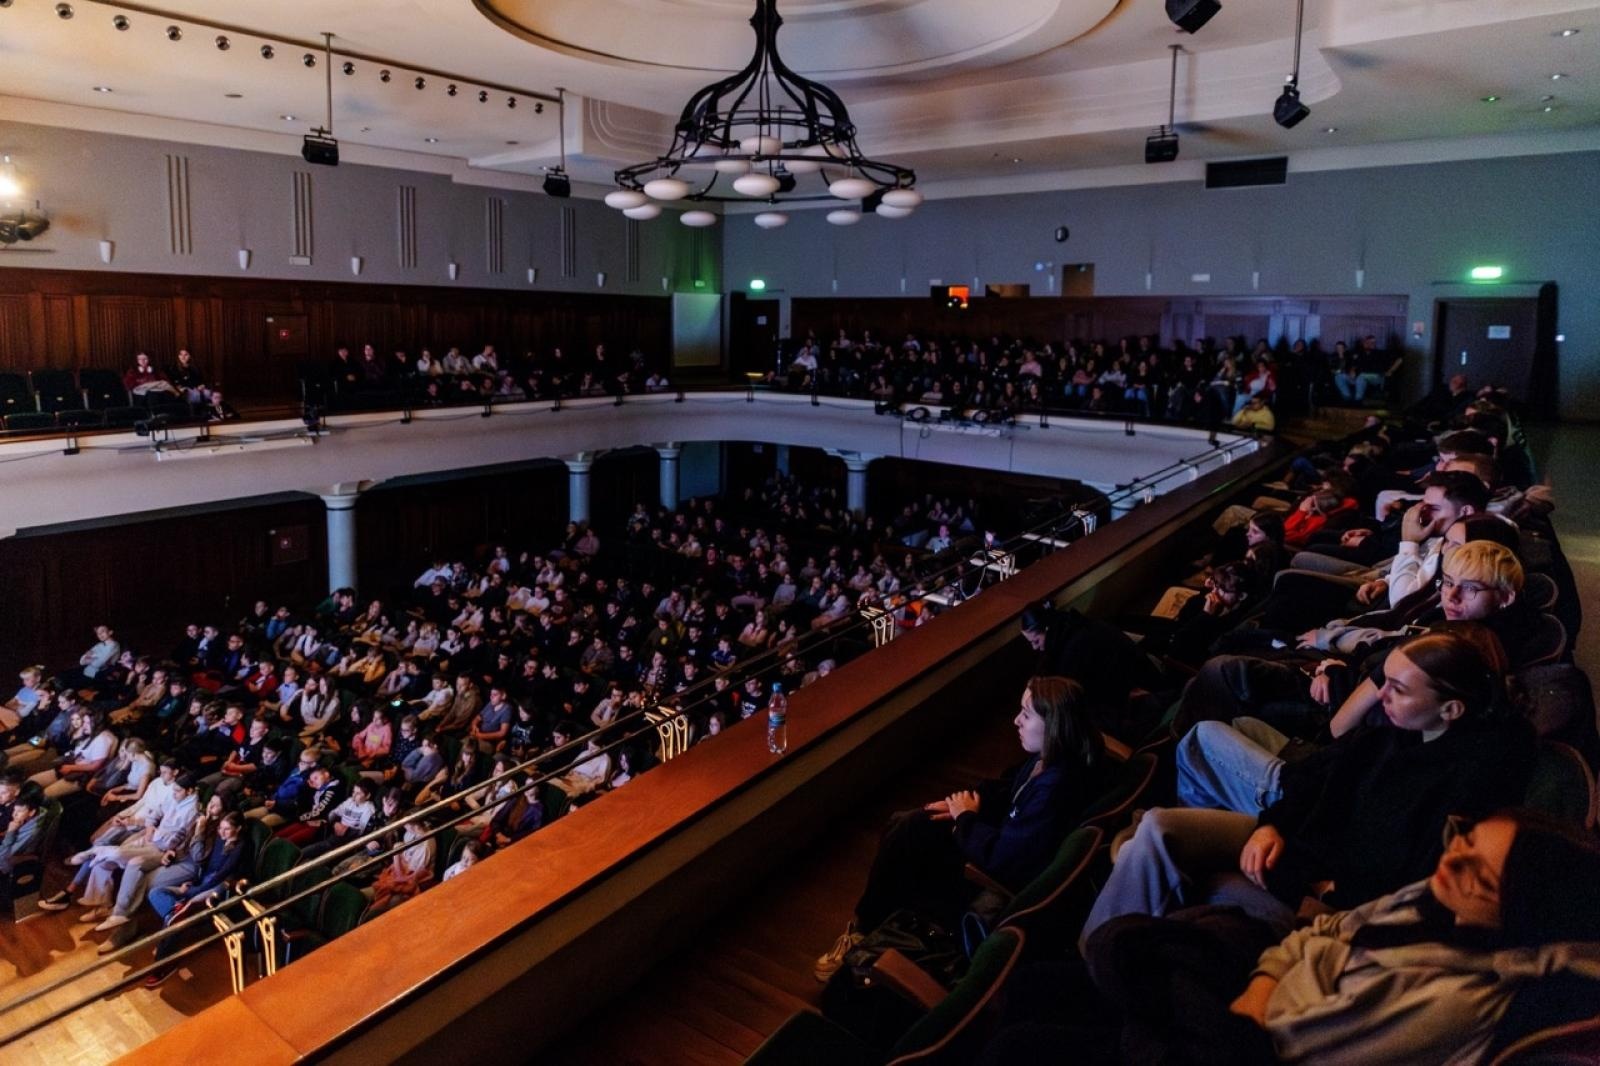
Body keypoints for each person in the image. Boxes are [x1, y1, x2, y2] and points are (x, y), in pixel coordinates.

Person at [1082, 632, 1536, 949]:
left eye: (1398, 689)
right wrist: (1272, 826)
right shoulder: (1396, 732)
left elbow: (1410, 881)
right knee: (1159, 826)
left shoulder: (1470, 780)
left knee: (1154, 846)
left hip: (1324, 895)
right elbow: (1311, 777)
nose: (1381, 696)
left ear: (1451, 709)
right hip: (1295, 847)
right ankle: (1100, 947)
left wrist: (1322, 885)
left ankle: (1110, 954)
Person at [1066, 808, 1600, 1066]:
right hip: (1258, 993)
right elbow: (1322, 931)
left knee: (1120, 959)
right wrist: (1270, 978)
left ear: (1517, 921)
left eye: (1478, 875)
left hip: (1249, 1042)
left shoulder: (1456, 1000)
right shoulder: (1439, 895)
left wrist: (1289, 968)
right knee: (1124, 947)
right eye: (1464, 839)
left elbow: (1292, 1044)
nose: (1452, 857)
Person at [814, 676, 1108, 982]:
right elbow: (1007, 791)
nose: (1016, 720)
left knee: (907, 833)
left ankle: (864, 930)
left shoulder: (1054, 789)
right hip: (987, 836)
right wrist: (964, 804)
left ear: (1055, 724)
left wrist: (965, 818)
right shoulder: (1051, 759)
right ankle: (871, 925)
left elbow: (1003, 859)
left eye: (1026, 714)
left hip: (988, 872)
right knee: (908, 824)